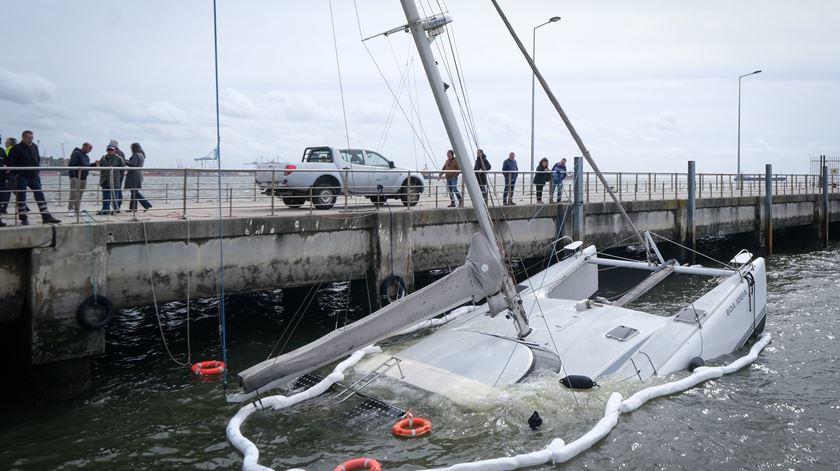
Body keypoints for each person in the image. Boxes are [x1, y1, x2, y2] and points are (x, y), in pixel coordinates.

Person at [6, 130, 61, 225]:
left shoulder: (34, 146)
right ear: (23, 137)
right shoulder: (16, 149)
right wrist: (16, 175)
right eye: (28, 138)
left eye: (32, 138)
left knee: (40, 195)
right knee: (21, 197)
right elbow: (11, 164)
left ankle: (46, 216)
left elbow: (37, 159)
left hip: (34, 176)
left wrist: (37, 172)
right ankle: (23, 217)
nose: (30, 140)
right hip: (21, 176)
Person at [98, 144, 125, 215]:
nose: (110, 151)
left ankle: (115, 210)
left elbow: (123, 169)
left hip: (114, 180)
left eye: (112, 149)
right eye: (109, 149)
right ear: (107, 150)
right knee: (105, 196)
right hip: (105, 180)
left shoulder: (119, 158)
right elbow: (100, 166)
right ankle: (105, 210)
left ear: (115, 150)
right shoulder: (103, 158)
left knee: (115, 196)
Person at [125, 142, 152, 212]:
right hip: (139, 174)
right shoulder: (141, 155)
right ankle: (133, 208)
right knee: (134, 191)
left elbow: (132, 164)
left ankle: (146, 204)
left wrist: (125, 161)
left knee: (134, 191)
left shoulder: (136, 155)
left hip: (134, 175)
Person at [68, 142, 94, 213]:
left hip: (83, 178)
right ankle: (70, 209)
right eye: (89, 148)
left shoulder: (86, 157)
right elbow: (71, 164)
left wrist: (94, 164)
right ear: (84, 146)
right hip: (76, 177)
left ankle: (77, 209)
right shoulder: (76, 153)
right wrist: (72, 176)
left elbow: (87, 166)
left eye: (91, 148)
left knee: (80, 194)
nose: (90, 150)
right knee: (74, 193)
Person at [108, 139, 127, 211]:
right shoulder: (122, 153)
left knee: (116, 190)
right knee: (118, 189)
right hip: (120, 174)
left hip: (117, 174)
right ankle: (117, 206)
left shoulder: (117, 154)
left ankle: (116, 207)